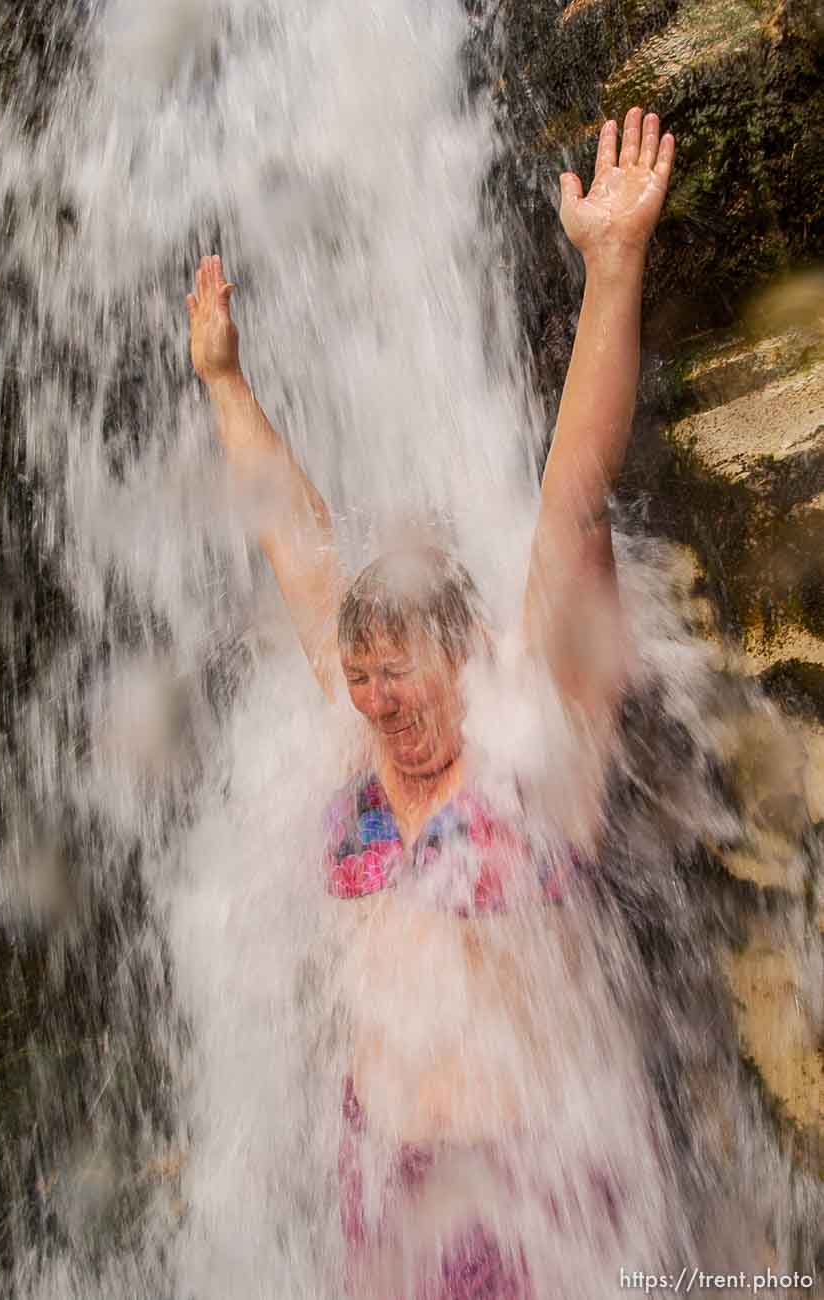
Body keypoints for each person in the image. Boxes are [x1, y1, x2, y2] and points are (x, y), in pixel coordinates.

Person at [187, 106, 676, 1299]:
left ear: (466, 652)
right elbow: (297, 546)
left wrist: (611, 269)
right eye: (361, 679)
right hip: (380, 1185)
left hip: (537, 1190)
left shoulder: (534, 745)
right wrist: (225, 382)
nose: (376, 703)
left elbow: (570, 506)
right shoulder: (357, 758)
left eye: (399, 675)